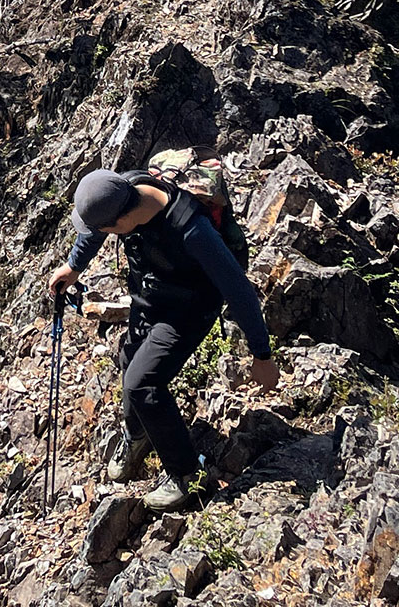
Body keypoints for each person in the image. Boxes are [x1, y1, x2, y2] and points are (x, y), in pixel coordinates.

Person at [47, 167, 279, 511]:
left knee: (143, 383)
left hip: (190, 309)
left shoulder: (192, 230)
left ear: (122, 221)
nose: (101, 234)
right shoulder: (125, 189)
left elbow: (239, 291)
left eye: (107, 229)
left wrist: (262, 356)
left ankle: (189, 478)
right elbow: (95, 230)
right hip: (152, 294)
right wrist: (74, 266)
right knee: (129, 360)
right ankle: (139, 436)